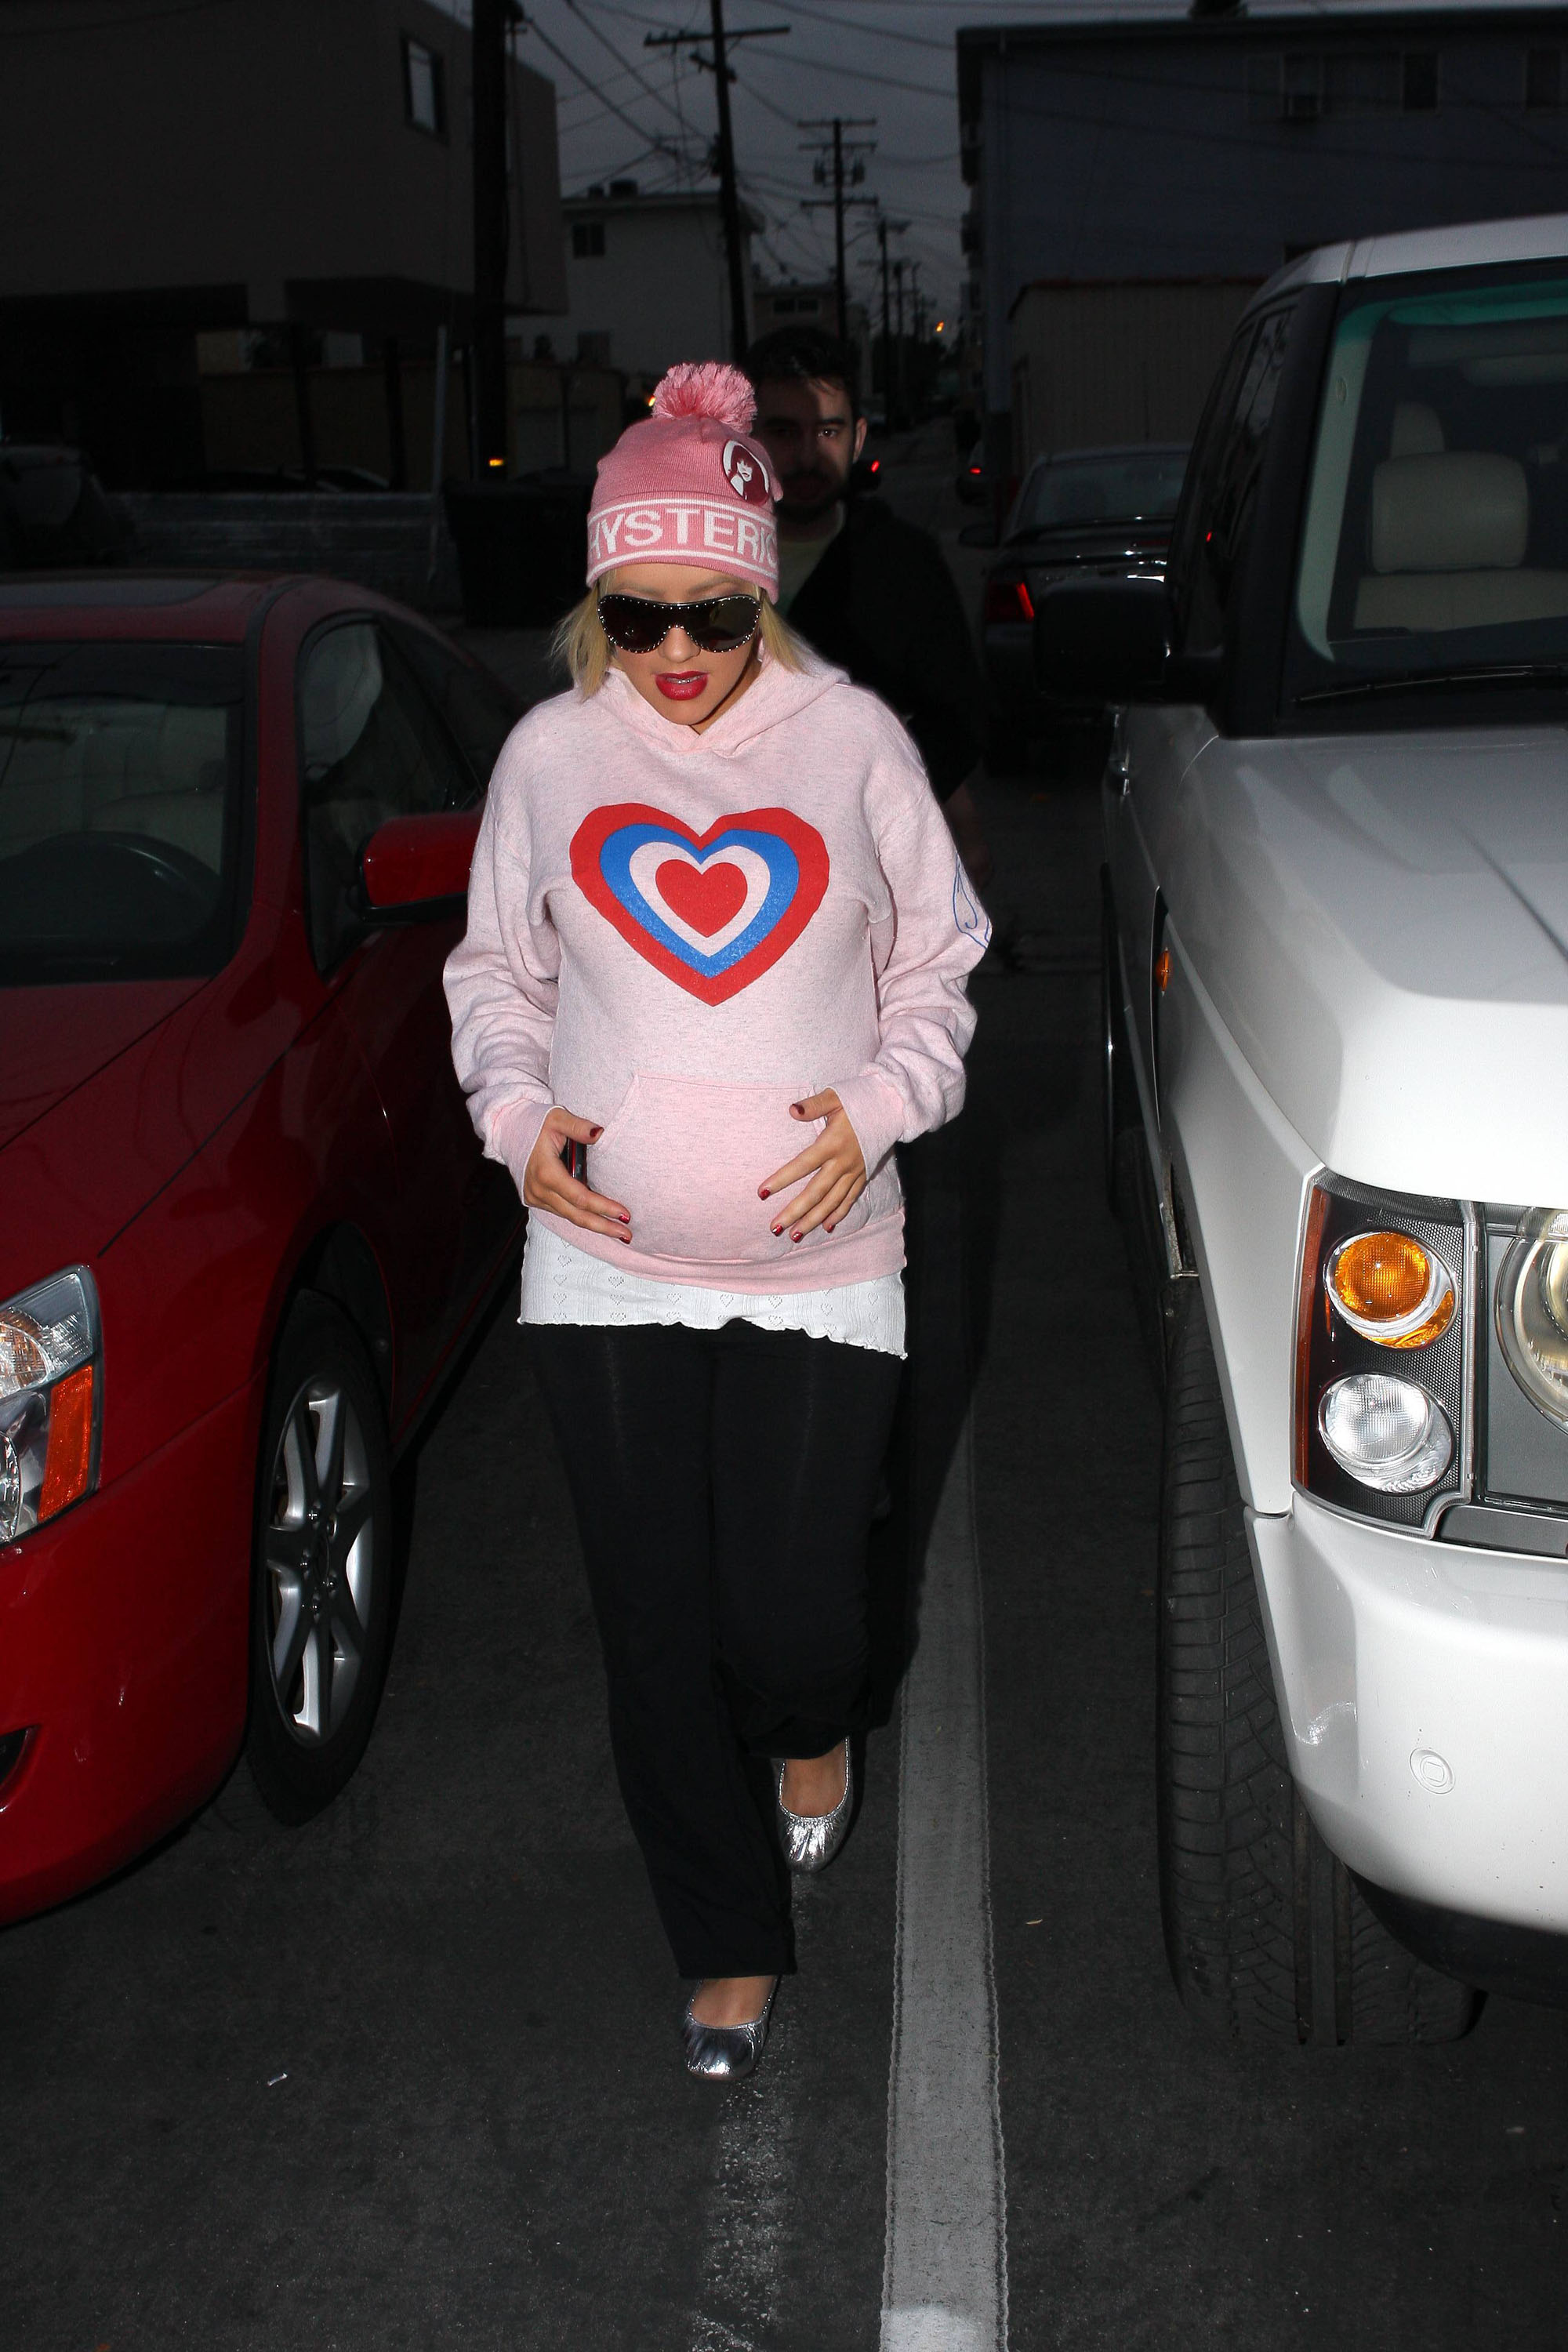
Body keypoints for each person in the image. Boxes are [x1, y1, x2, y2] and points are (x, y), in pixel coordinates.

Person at [445, 363, 988, 2082]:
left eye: (714, 613)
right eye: (638, 614)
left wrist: (883, 1108)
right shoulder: (549, 757)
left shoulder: (852, 744)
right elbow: (495, 976)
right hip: (600, 1267)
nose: (675, 651)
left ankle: (815, 1721)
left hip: (823, 1265)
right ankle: (724, 1935)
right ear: (594, 605)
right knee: (652, 1621)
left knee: (794, 1620)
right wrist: (513, 1118)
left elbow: (941, 964)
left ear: (763, 592)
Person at [744, 325, 993, 891]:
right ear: (747, 436)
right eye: (783, 432)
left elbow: (956, 723)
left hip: (871, 874)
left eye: (827, 431)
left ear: (858, 438)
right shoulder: (702, 567)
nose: (807, 456)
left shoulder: (904, 564)